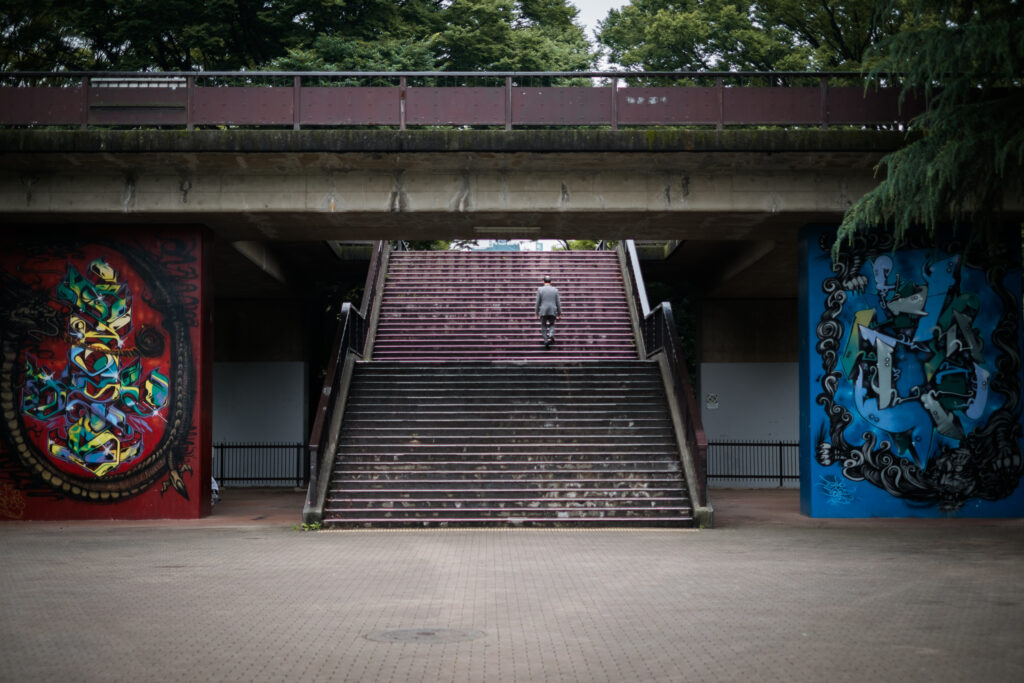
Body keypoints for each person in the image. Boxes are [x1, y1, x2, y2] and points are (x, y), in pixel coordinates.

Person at [535, 275, 561, 347]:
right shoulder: (555, 290)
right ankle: (551, 334)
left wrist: (536, 312)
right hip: (552, 310)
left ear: (543, 282)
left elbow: (538, 302)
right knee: (552, 324)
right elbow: (558, 302)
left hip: (543, 310)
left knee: (543, 325)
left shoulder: (540, 289)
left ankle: (546, 341)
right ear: (551, 282)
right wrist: (560, 313)